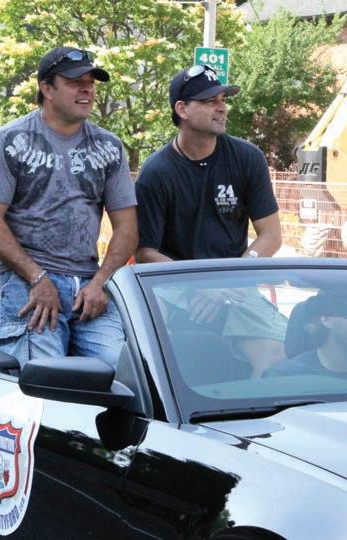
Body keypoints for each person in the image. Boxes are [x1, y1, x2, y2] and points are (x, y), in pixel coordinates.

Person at [0, 46, 138, 369]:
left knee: (126, 373)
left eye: (90, 82)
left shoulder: (109, 146)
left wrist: (101, 282)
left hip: (88, 284)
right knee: (45, 378)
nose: (87, 90)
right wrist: (37, 278)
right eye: (75, 82)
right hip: (24, 280)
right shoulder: (10, 140)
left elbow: (128, 228)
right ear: (46, 88)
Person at [135, 64, 286, 377]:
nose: (222, 108)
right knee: (152, 358)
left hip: (234, 281)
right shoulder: (156, 172)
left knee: (277, 354)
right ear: (182, 109)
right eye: (209, 101)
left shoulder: (248, 158)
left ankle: (255, 408)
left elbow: (271, 235)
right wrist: (196, 285)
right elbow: (146, 252)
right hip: (171, 285)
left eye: (222, 100)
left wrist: (227, 281)